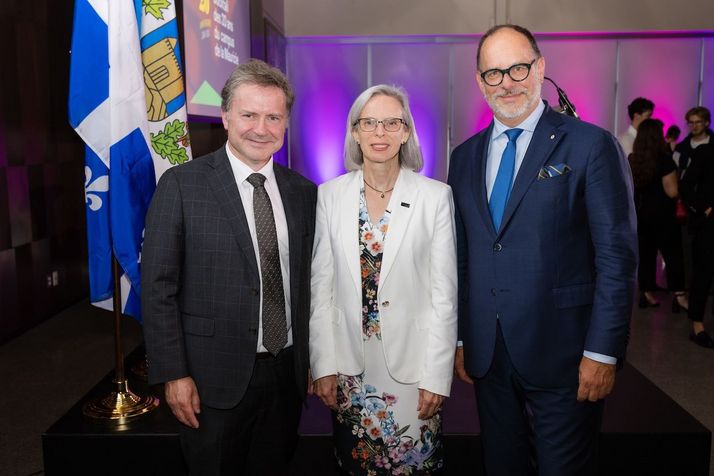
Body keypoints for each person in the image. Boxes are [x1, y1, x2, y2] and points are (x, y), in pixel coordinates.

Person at [448, 25, 637, 475]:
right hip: (488, 356)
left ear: (540, 68)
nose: (507, 83)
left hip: (566, 357)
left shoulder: (590, 145)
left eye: (517, 68)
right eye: (493, 73)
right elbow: (463, 256)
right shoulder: (464, 157)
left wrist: (602, 353)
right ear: (479, 81)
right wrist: (460, 339)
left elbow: (617, 257)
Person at [142, 59, 317, 475]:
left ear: (286, 121)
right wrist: (174, 374)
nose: (261, 128)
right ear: (225, 117)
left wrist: (315, 360)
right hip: (210, 379)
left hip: (286, 374)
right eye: (249, 115)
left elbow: (310, 285)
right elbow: (157, 287)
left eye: (273, 116)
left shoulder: (304, 192)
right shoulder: (182, 185)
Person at [310, 84, 458, 475]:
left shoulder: (435, 197)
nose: (380, 133)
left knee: (412, 467)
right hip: (350, 369)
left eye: (391, 122)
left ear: (406, 131)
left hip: (413, 368)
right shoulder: (329, 196)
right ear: (355, 132)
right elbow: (321, 289)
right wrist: (322, 363)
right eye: (369, 123)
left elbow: (445, 294)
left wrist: (438, 375)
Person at [628, 119, 687, 311]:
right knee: (673, 255)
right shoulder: (664, 160)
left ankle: (646, 293)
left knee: (646, 255)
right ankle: (679, 295)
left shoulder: (633, 159)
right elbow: (671, 192)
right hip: (663, 216)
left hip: (640, 215)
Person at [679, 106, 714, 348]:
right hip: (707, 224)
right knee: (703, 273)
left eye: (698, 121)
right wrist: (704, 208)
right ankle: (697, 324)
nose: (694, 125)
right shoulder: (704, 152)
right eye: (691, 122)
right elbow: (685, 186)